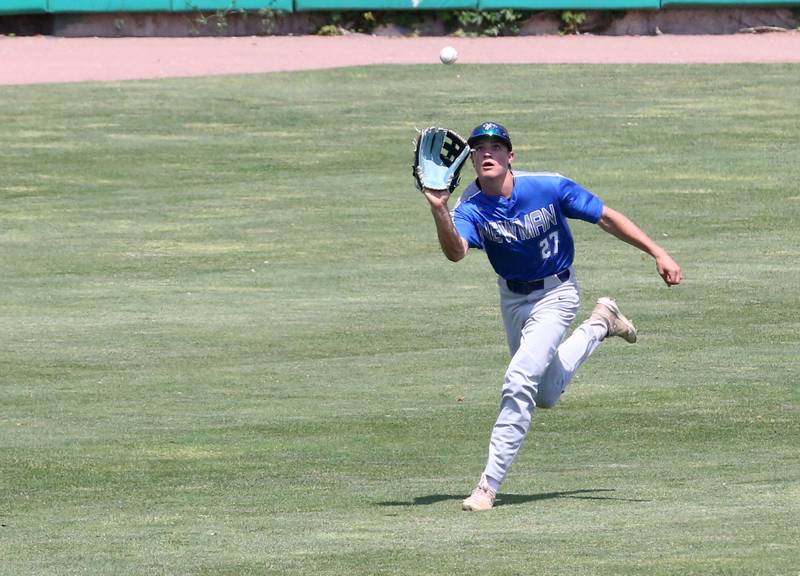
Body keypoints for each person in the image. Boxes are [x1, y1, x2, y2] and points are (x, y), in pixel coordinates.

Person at [421, 122, 682, 512]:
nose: (487, 153)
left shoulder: (548, 187)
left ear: (511, 156)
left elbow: (606, 216)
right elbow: (456, 251)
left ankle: (487, 487)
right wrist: (440, 209)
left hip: (557, 293)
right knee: (543, 395)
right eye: (478, 149)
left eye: (496, 146)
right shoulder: (470, 206)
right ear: (470, 159)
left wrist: (656, 251)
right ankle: (601, 323)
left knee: (519, 378)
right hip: (512, 298)